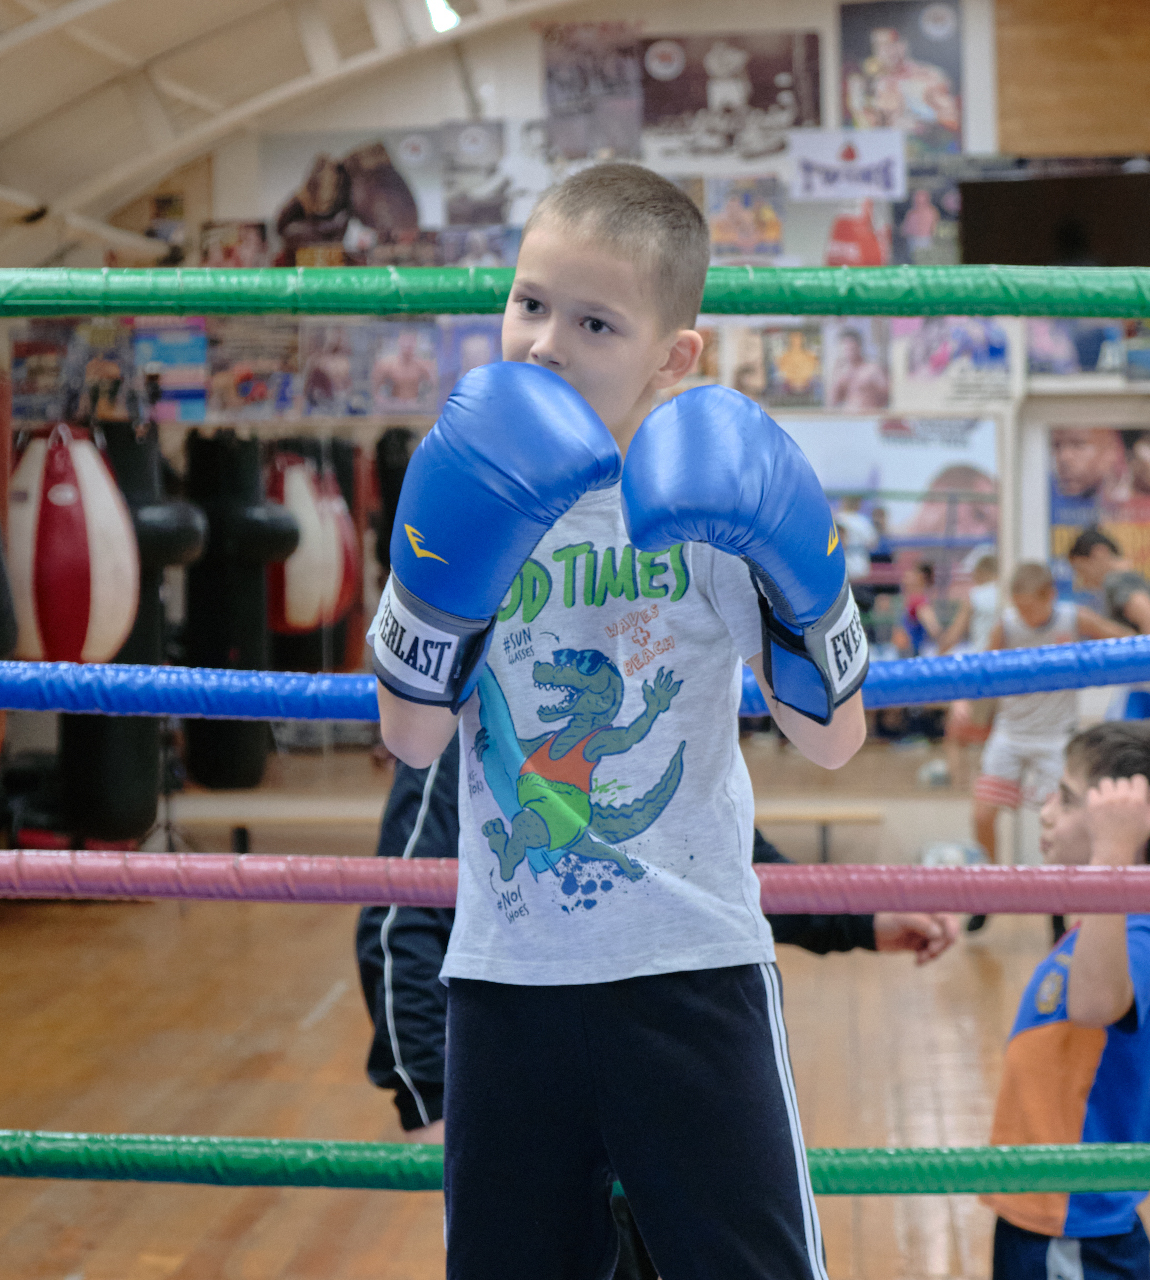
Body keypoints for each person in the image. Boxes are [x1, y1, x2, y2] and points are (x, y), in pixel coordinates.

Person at [365, 163, 870, 1279]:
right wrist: (428, 591)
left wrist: (805, 577)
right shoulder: (467, 479)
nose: (545, 343)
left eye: (594, 322)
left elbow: (834, 739)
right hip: (507, 977)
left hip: (694, 966)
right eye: (530, 303)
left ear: (672, 356)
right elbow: (413, 738)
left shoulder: (705, 500)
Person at [357, 738, 959, 1279]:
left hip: (680, 1045)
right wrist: (428, 1093)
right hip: (539, 1053)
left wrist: (859, 916)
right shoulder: (477, 694)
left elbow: (708, 864)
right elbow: (401, 912)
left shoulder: (665, 681)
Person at [982, 721, 1150, 1280]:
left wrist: (1112, 852)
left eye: (1066, 798)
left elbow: (1094, 1004)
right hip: (1049, 1204)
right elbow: (1134, 1003)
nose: (1045, 812)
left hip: (1073, 1219)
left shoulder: (1137, 930)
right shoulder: (1116, 923)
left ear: (1127, 829)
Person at [969, 563, 1131, 934]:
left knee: (1060, 824)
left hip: (1056, 737)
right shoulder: (1006, 625)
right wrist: (970, 706)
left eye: (1030, 607)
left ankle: (1057, 906)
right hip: (1010, 732)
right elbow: (981, 672)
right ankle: (988, 889)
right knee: (982, 815)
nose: (1024, 615)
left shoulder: (1073, 618)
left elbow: (1123, 639)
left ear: (1050, 597)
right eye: (1019, 606)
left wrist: (1149, 648)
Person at [1066, 526, 1150, 720]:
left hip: (1144, 686)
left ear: (1099, 553)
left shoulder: (1117, 581)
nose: (1082, 579)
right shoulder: (1131, 577)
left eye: (1081, 569)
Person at [936, 549, 999, 789]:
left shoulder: (975, 596)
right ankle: (987, 784)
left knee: (955, 735)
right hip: (1006, 670)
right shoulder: (1008, 594)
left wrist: (937, 657)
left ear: (982, 572)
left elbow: (954, 634)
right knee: (993, 733)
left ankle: (958, 785)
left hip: (978, 670)